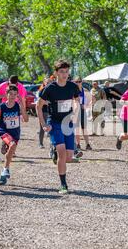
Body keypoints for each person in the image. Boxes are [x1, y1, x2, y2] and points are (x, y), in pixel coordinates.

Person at [37, 60, 81, 194]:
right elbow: (38, 106)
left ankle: (54, 151)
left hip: (67, 123)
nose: (64, 74)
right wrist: (44, 124)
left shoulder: (72, 86)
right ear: (56, 73)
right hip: (55, 123)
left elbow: (77, 102)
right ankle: (63, 185)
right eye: (62, 72)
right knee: (62, 154)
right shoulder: (50, 88)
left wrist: (76, 114)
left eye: (67, 72)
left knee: (68, 157)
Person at [0, 85, 28, 185]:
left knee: (11, 149)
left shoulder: (18, 106)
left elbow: (26, 119)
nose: (12, 96)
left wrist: (22, 106)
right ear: (6, 95)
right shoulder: (2, 106)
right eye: (10, 94)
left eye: (15, 94)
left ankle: (3, 174)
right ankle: (6, 169)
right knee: (12, 145)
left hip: (15, 132)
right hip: (4, 131)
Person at [74, 76, 92, 151]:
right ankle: (78, 144)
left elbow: (91, 99)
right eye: (76, 82)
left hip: (82, 110)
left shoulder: (84, 90)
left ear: (82, 82)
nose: (78, 83)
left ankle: (87, 144)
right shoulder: (73, 90)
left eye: (79, 81)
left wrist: (87, 105)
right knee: (77, 128)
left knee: (84, 128)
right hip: (75, 110)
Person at [37, 75, 55, 148]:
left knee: (52, 127)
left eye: (50, 82)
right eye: (47, 82)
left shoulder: (53, 90)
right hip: (43, 111)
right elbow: (39, 102)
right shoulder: (41, 91)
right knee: (42, 127)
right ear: (44, 83)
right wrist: (46, 102)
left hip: (51, 111)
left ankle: (52, 143)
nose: (48, 83)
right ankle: (40, 143)